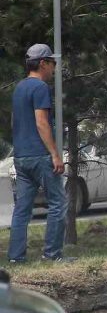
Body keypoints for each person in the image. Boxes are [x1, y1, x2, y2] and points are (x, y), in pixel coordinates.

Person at [7, 45, 68, 263]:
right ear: (43, 63)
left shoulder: (19, 88)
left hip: (21, 157)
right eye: (52, 63)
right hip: (40, 155)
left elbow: (15, 122)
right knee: (58, 204)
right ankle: (52, 255)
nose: (54, 68)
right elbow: (42, 123)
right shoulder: (40, 87)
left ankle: (16, 258)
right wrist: (54, 154)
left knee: (22, 209)